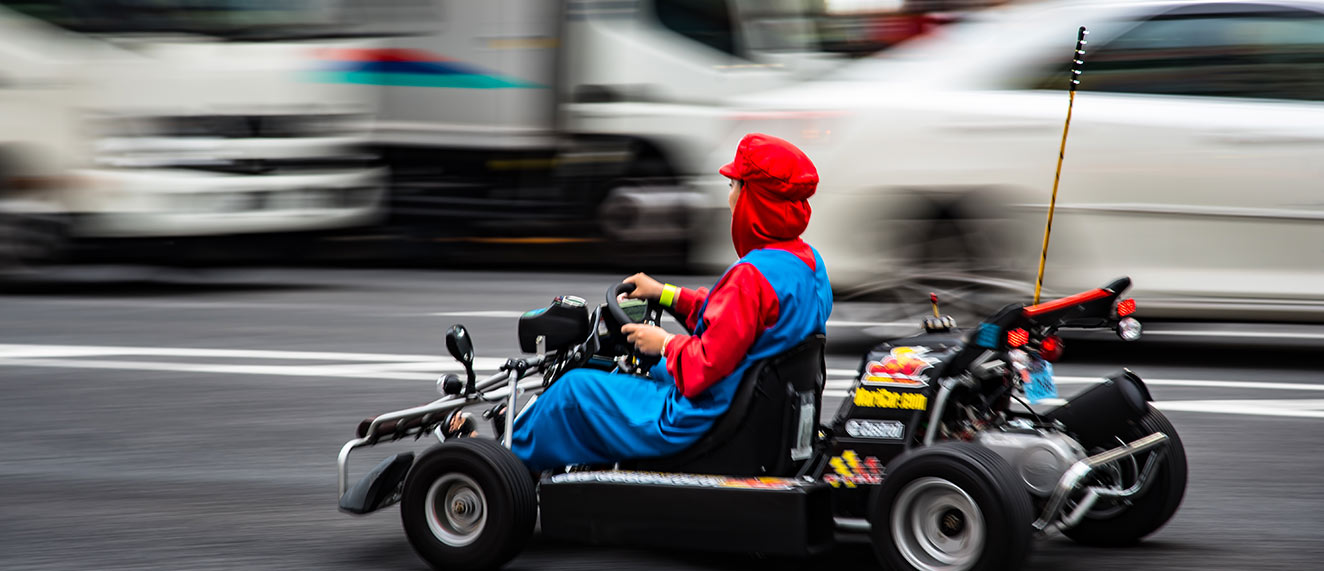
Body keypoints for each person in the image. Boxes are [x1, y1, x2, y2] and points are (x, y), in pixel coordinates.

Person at [507, 133, 833, 471]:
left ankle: (506, 458)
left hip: (699, 416)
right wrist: (665, 294)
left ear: (755, 199)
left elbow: (703, 366)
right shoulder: (808, 265)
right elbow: (732, 320)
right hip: (750, 400)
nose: (730, 199)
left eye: (735, 186)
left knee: (574, 392)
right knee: (642, 366)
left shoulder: (751, 277)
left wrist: (664, 343)